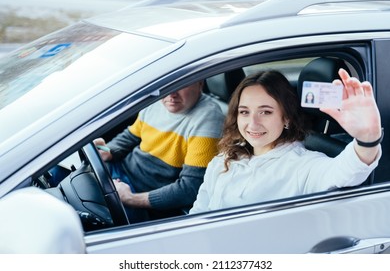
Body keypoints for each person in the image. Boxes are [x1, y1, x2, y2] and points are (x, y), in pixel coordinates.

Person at [189, 69, 382, 214]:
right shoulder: (224, 158)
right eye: (245, 112)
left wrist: (367, 139)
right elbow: (197, 215)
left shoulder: (302, 166)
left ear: (287, 117)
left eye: (266, 112)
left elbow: (346, 172)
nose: (252, 124)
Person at [94, 81, 224, 222]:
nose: (171, 94)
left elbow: (189, 189)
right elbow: (131, 135)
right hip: (120, 172)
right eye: (167, 84)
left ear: (200, 84)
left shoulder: (208, 118)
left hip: (145, 198)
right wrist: (109, 150)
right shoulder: (156, 100)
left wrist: (131, 199)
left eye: (181, 84)